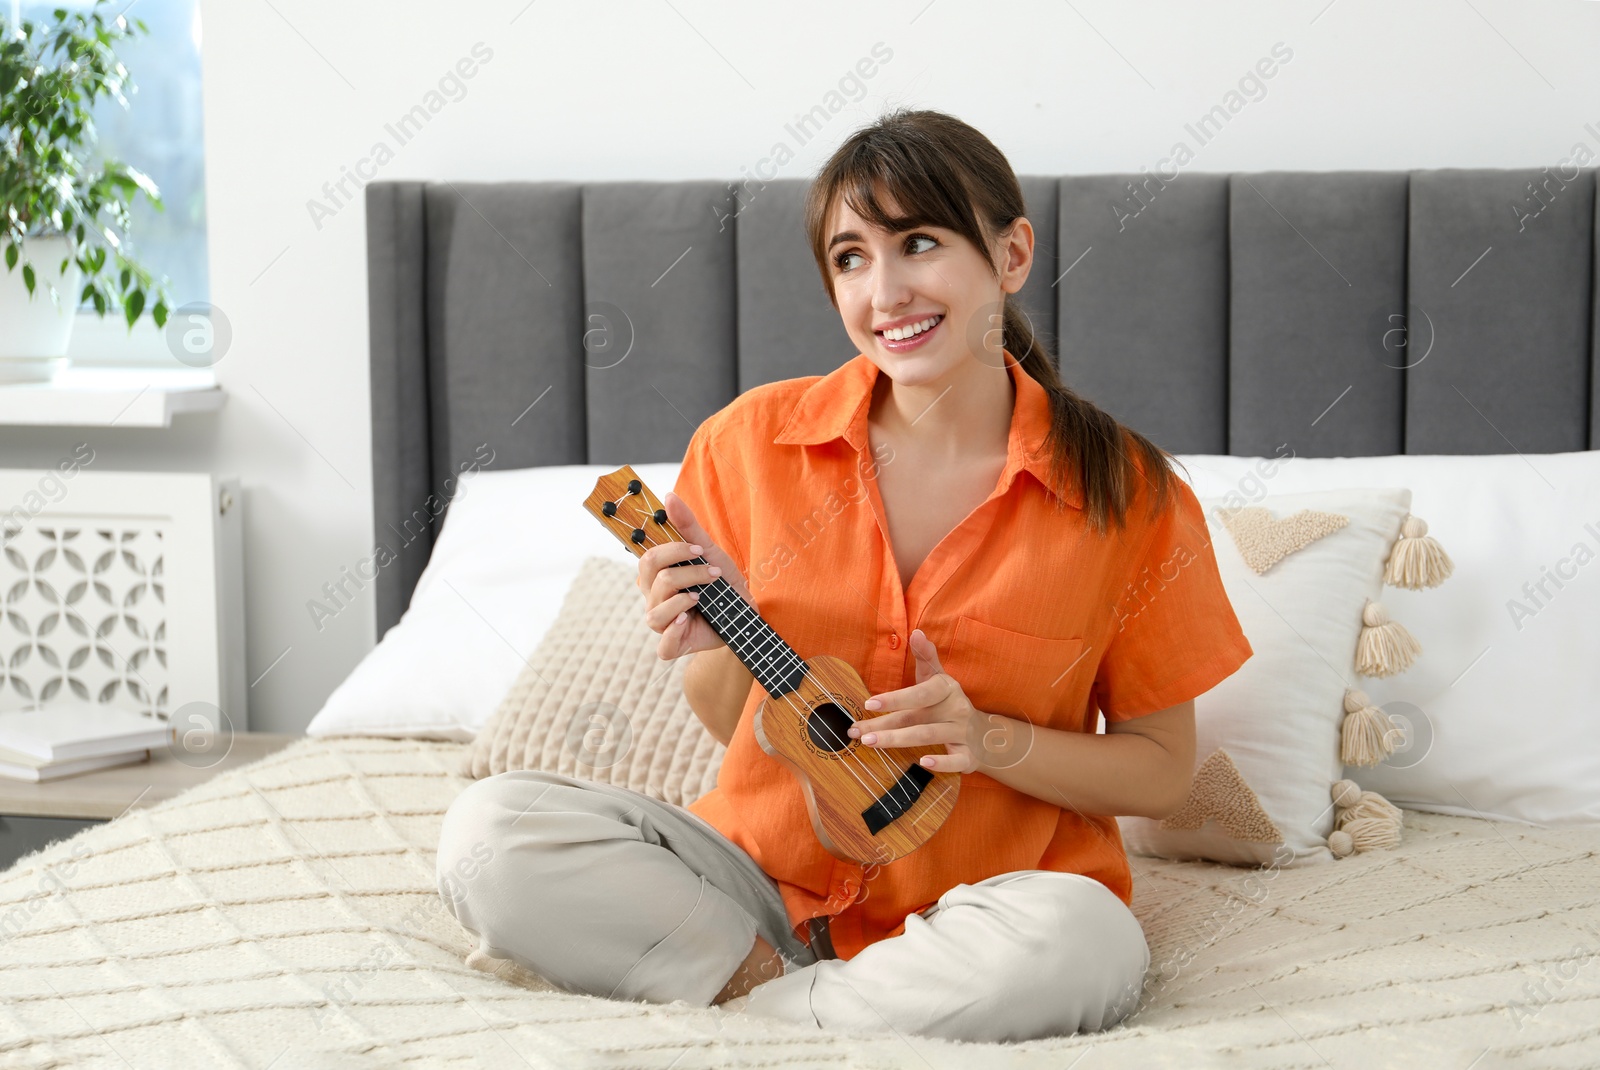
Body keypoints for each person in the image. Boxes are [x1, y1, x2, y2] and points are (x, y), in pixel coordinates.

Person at [435, 108, 1253, 1043]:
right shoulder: (747, 445)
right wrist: (718, 642)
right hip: (749, 886)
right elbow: (735, 721)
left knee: (1086, 942)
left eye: (919, 242)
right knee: (490, 834)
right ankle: (802, 1000)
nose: (887, 292)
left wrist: (989, 741)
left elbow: (1158, 772)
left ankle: (757, 1012)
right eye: (851, 258)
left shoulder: (1130, 495)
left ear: (1013, 255)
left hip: (987, 908)